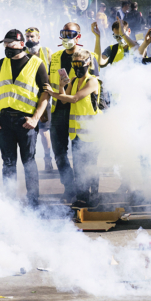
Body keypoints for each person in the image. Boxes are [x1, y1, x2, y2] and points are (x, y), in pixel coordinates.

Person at [0, 29, 50, 206]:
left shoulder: (37, 63)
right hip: (5, 121)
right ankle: (10, 203)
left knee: (28, 163)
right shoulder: (2, 63)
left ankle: (33, 203)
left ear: (22, 44)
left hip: (26, 122)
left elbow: (46, 94)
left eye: (11, 44)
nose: (8, 47)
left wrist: (35, 118)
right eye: (6, 44)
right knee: (8, 163)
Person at [48, 23, 100, 202]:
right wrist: (58, 92)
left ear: (78, 36)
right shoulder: (55, 57)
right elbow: (60, 90)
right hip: (59, 110)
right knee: (60, 153)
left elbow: (90, 89)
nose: (66, 37)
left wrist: (56, 93)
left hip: (81, 115)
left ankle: (90, 193)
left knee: (86, 159)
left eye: (70, 34)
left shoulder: (89, 58)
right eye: (63, 33)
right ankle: (71, 187)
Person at [25, 27, 56, 172]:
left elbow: (54, 70)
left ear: (38, 37)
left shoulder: (46, 51)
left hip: (44, 95)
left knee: (44, 130)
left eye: (32, 36)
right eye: (27, 37)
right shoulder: (23, 53)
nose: (29, 39)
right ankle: (29, 162)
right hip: (28, 97)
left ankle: (47, 159)